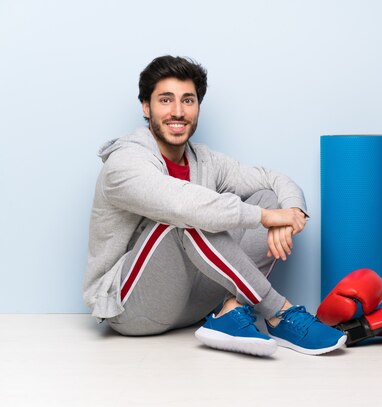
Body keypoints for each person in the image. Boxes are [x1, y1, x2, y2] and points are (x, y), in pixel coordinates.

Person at [83, 55, 346, 357]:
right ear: (146, 107)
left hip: (196, 304)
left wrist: (292, 214)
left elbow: (272, 179)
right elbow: (184, 205)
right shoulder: (124, 163)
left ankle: (228, 313)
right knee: (189, 214)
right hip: (133, 308)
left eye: (188, 101)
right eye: (165, 100)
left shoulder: (205, 160)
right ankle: (279, 313)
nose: (178, 112)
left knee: (268, 197)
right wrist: (264, 218)